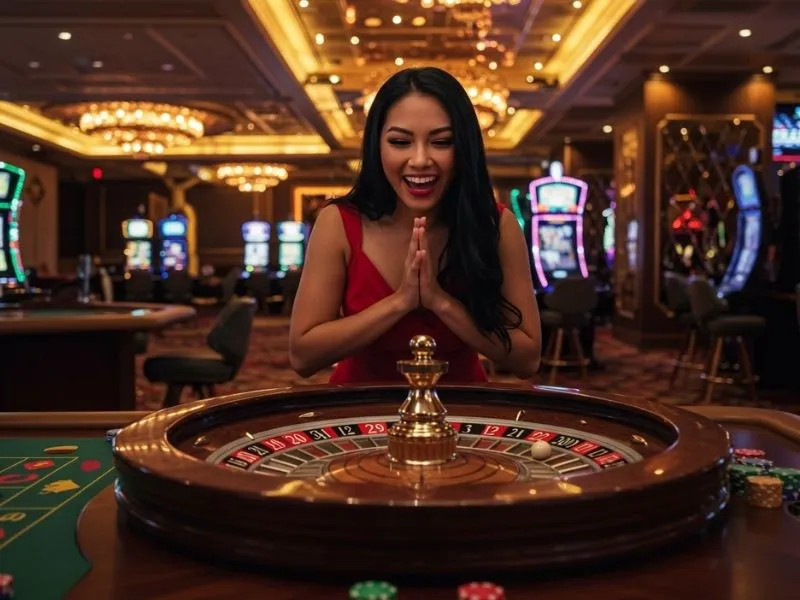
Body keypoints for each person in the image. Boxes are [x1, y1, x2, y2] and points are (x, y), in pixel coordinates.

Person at [289, 66, 541, 383]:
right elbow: (302, 356)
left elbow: (528, 359)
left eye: (442, 142)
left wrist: (441, 302)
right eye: (400, 142)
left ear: (465, 147)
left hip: (461, 406)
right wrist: (400, 302)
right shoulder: (338, 222)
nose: (420, 160)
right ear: (376, 145)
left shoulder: (497, 225)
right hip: (359, 405)